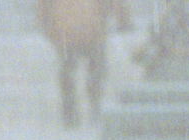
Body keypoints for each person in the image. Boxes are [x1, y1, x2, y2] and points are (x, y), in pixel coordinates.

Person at [38, 0, 129, 128]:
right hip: (93, 30)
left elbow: (44, 6)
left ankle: (70, 114)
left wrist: (47, 26)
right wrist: (123, 19)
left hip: (65, 30)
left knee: (67, 72)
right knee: (96, 70)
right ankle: (95, 107)